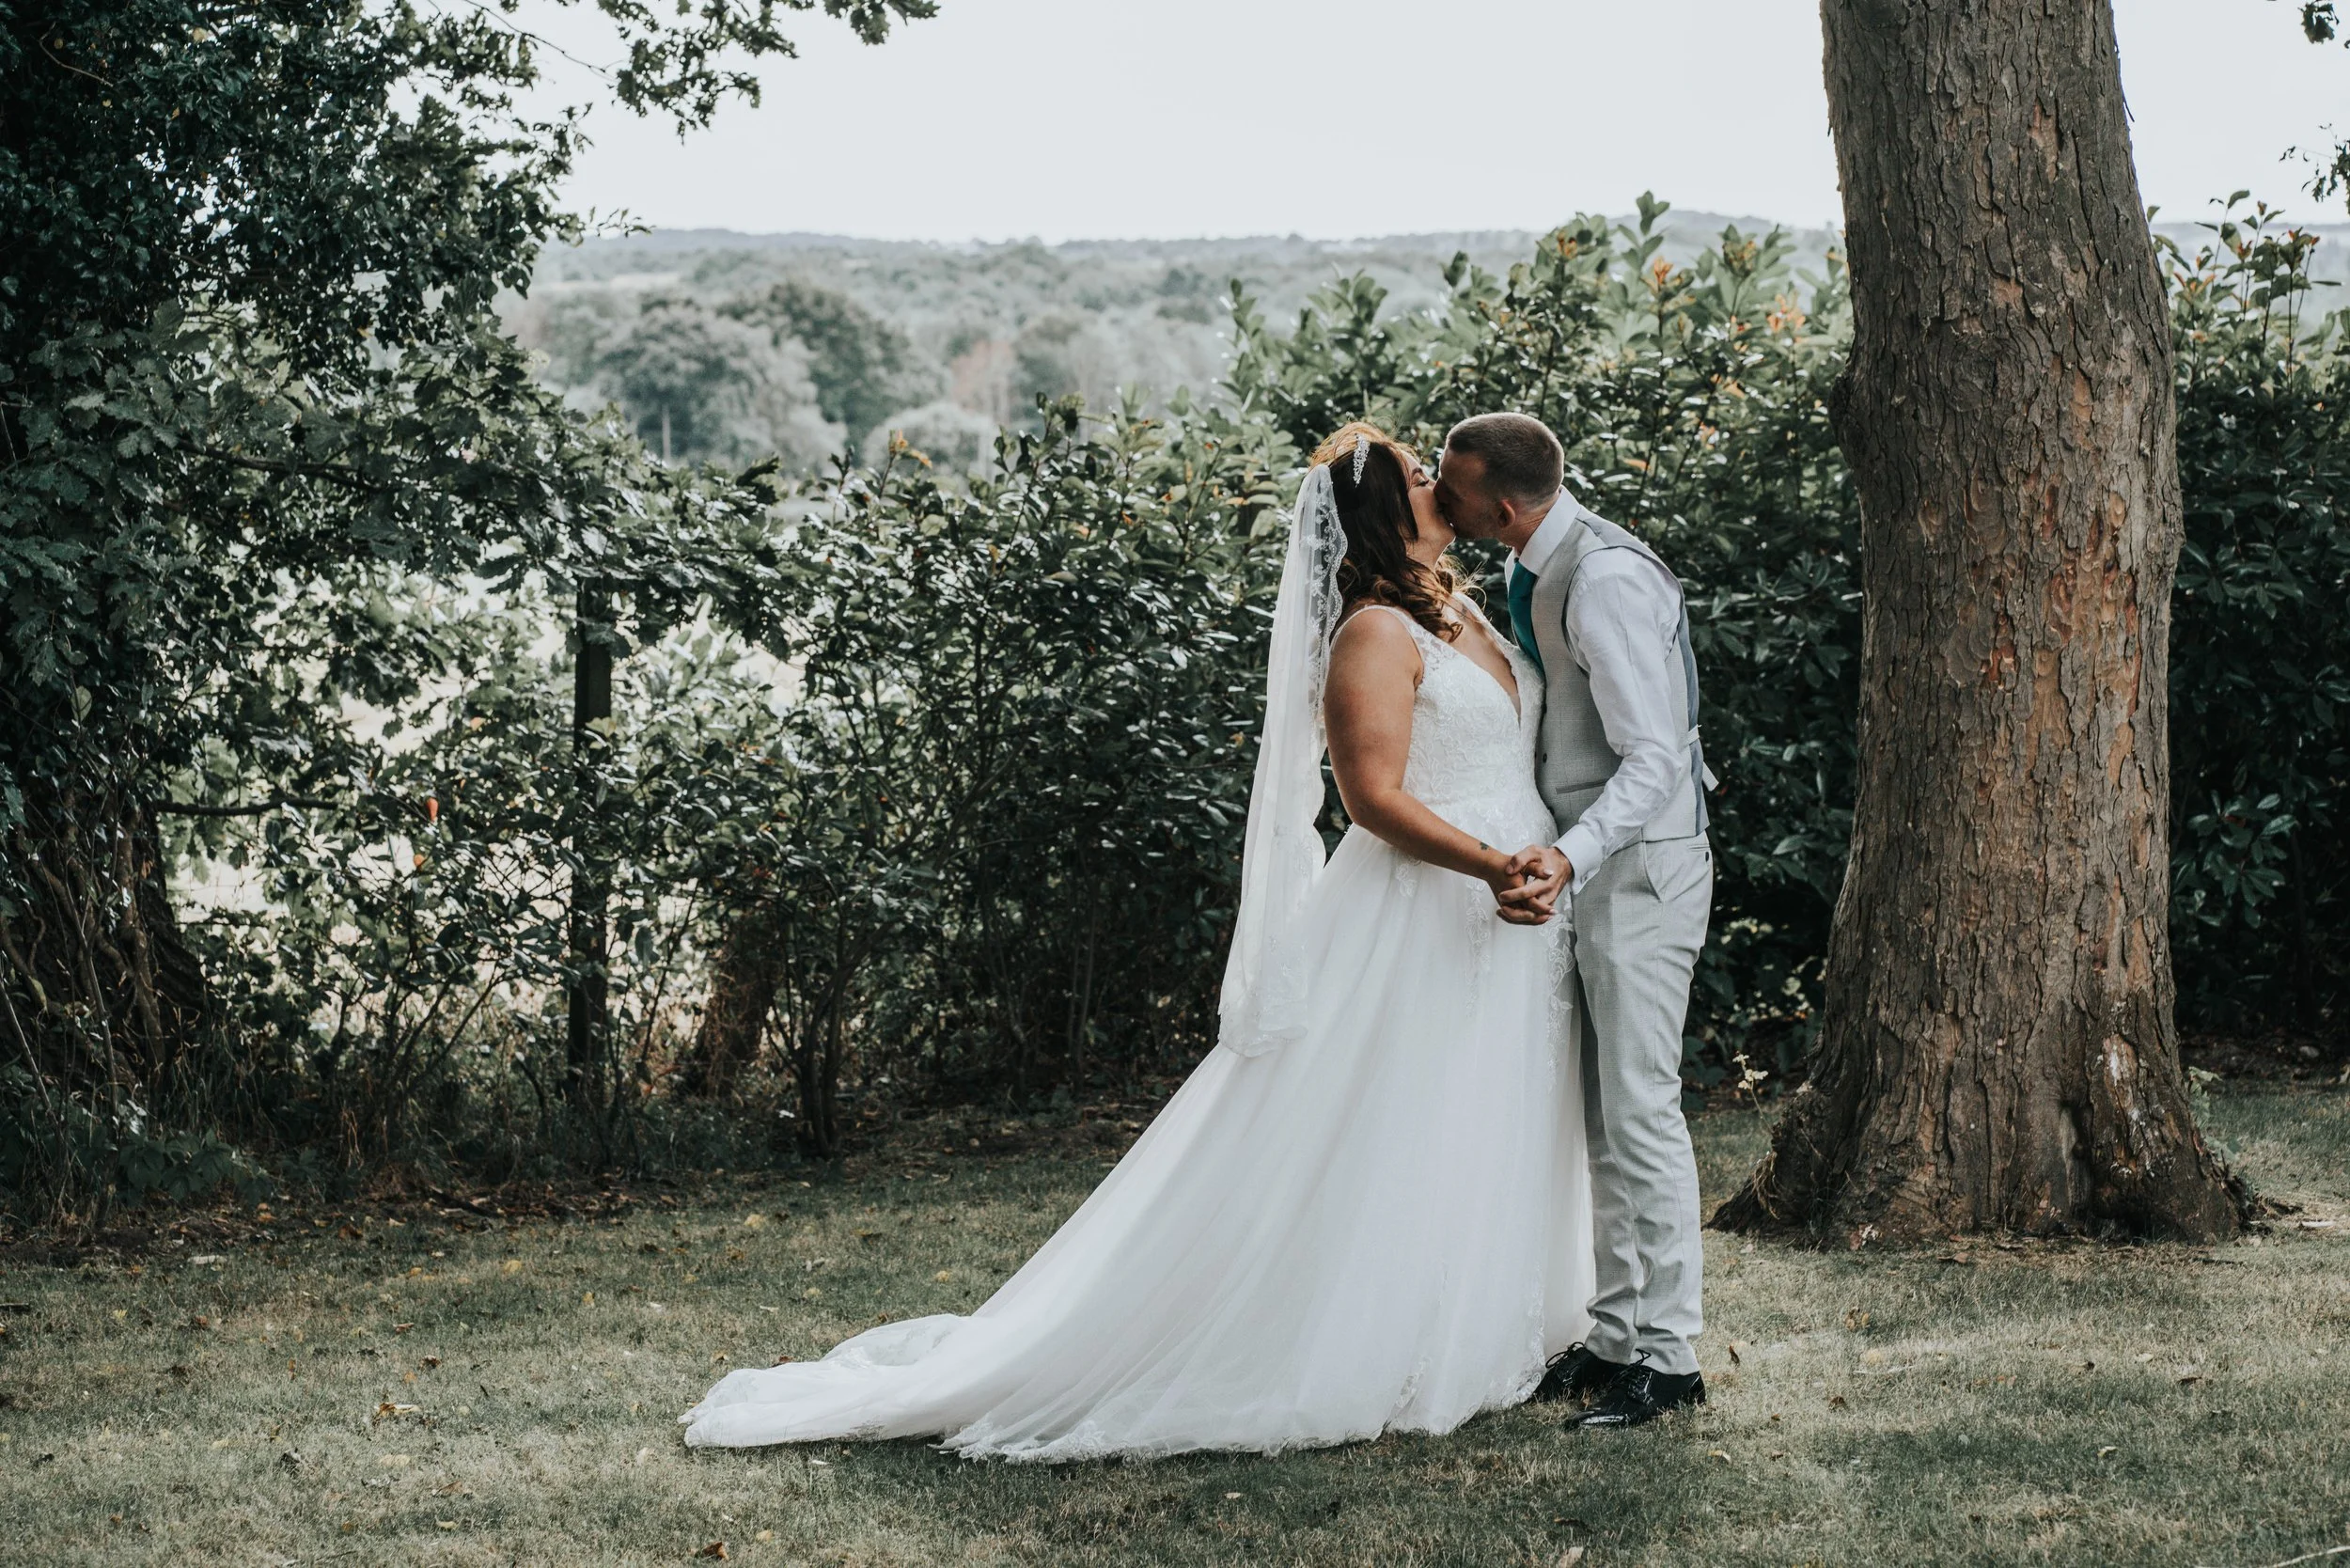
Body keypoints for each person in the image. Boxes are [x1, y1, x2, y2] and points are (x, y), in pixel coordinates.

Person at [681, 423, 1595, 1459]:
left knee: (1483, 1106)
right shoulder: (1376, 633)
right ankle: (1371, 1334)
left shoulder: (1462, 605)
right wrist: (1490, 866)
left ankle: (1482, 1318)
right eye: (1418, 477)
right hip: (1430, 905)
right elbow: (1372, 798)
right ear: (1384, 513)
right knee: (1397, 1120)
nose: (1438, 483)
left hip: (1519, 897)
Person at [1436, 412, 1716, 1430]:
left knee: (1640, 1107)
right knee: (1601, 1114)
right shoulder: (1540, 564)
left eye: (1450, 488)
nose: (1439, 499)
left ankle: (1670, 1354)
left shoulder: (1602, 579)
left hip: (1638, 870)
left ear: (1498, 507)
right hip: (1592, 867)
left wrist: (1568, 854)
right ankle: (1612, 1336)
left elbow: (1656, 756)